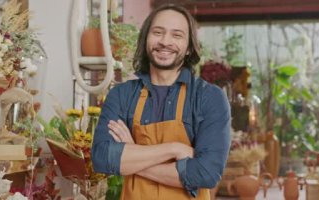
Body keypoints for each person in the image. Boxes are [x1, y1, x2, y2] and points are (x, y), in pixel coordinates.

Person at [92, 3, 231, 200]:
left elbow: (206, 173)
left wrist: (134, 152)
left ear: (190, 47)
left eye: (177, 35)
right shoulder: (121, 95)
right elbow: (102, 158)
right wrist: (174, 149)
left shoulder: (209, 97)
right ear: (146, 38)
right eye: (158, 32)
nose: (165, 41)